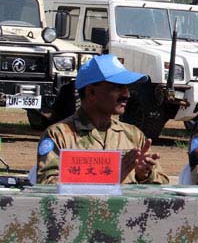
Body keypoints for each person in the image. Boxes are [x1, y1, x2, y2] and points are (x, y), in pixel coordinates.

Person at [36, 54, 169, 184]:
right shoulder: (60, 135)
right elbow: (47, 184)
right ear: (91, 92)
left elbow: (162, 187)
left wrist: (144, 175)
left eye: (127, 87)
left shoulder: (133, 135)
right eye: (118, 87)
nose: (126, 94)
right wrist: (110, 176)